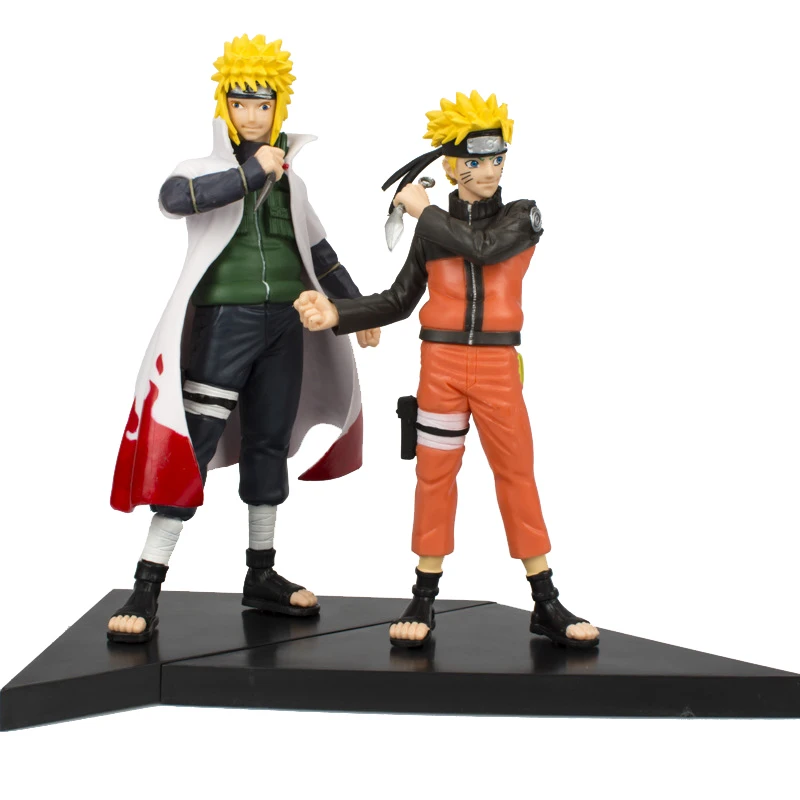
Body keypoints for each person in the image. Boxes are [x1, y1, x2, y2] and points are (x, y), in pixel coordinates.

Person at [295, 91, 598, 649]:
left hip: (498, 366)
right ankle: (424, 594)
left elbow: (484, 248)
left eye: (498, 158)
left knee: (516, 473)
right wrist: (339, 312)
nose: (491, 170)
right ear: (453, 166)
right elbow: (399, 300)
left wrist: (424, 212)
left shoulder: (520, 215)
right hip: (439, 366)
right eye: (477, 161)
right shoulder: (432, 231)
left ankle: (546, 599)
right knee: (434, 475)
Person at [108, 34, 379, 643]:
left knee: (268, 441)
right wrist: (250, 171)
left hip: (286, 325)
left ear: (278, 108)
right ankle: (147, 584)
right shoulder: (202, 171)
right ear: (223, 107)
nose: (252, 115)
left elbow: (320, 252)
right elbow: (174, 200)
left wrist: (356, 310)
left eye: (262, 104)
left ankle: (261, 573)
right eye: (240, 103)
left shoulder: (294, 186)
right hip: (224, 323)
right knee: (192, 443)